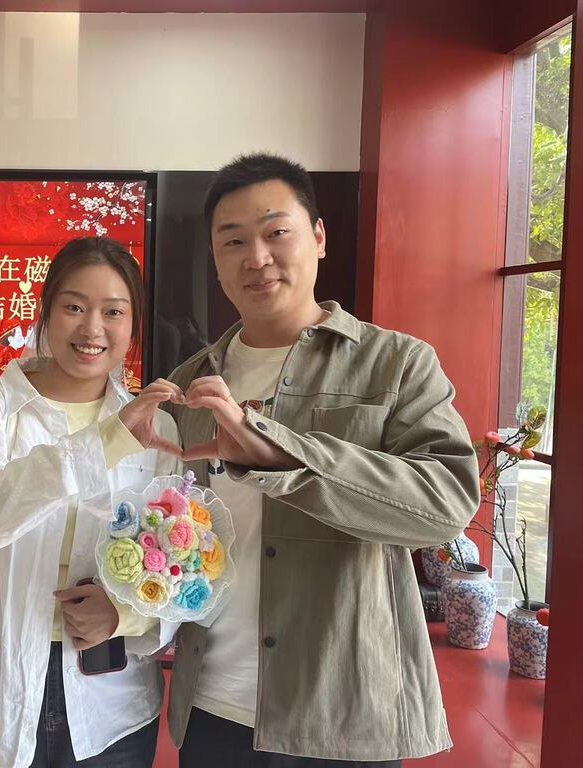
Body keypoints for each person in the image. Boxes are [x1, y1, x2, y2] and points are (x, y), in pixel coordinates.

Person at [162, 153, 481, 766]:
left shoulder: (395, 365)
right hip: (212, 710)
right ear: (216, 261)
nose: (256, 257)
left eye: (276, 232)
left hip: (344, 711)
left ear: (319, 237)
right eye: (232, 242)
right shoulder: (188, 385)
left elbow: (445, 507)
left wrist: (282, 456)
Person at [0, 236, 183, 768]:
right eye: (74, 307)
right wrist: (106, 440)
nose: (93, 329)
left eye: (113, 312)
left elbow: (181, 563)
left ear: (132, 326)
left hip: (109, 706)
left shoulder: (157, 428)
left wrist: (124, 616)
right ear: (44, 313)